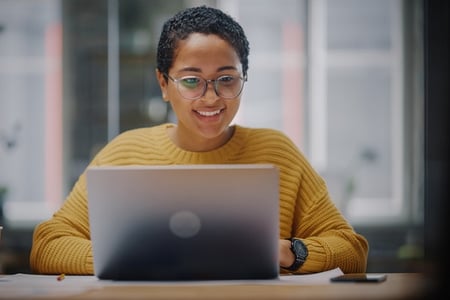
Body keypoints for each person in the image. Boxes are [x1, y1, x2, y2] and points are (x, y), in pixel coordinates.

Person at [30, 5, 368, 275]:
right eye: (192, 81)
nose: (211, 98)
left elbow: (352, 250)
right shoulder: (123, 153)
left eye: (227, 79)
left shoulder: (277, 153)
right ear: (163, 84)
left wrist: (292, 252)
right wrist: (125, 258)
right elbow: (48, 245)